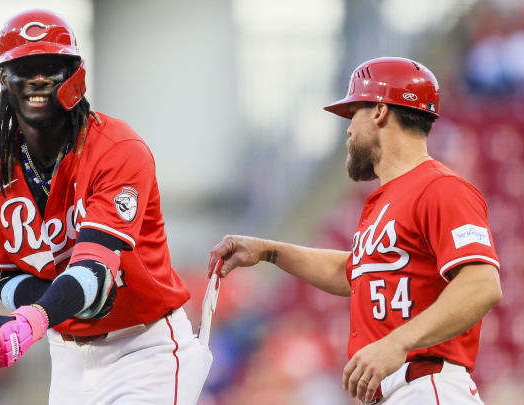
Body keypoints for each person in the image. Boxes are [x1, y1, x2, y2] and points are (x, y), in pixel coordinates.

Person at [0, 9, 212, 404]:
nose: (38, 78)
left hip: (145, 347)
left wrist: (32, 320)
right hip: (67, 352)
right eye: (25, 67)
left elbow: (93, 271)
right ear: (5, 79)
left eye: (52, 66)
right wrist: (46, 310)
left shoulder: (118, 148)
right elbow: (5, 277)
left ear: (76, 74)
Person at [208, 57, 502, 404]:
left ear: (379, 112)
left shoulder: (441, 188)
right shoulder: (385, 199)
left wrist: (397, 342)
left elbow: (482, 284)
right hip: (395, 390)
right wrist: (269, 251)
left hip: (426, 385)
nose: (348, 129)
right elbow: (350, 272)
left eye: (353, 114)